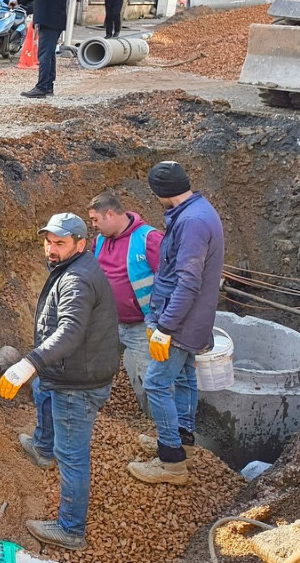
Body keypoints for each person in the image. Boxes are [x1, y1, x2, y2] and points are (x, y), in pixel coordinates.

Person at [0, 212, 119, 552]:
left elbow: (69, 331)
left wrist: (30, 363)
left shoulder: (77, 280)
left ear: (80, 244)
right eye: (48, 242)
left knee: (73, 455)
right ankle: (42, 448)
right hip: (68, 371)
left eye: (60, 243)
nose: (51, 249)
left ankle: (70, 529)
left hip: (77, 383)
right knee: (42, 390)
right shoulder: (74, 266)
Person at [128, 161, 225, 486]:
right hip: (190, 319)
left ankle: (171, 461)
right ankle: (183, 441)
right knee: (184, 377)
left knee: (156, 383)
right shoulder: (196, 210)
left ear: (161, 192)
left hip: (182, 321)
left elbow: (187, 282)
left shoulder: (192, 222)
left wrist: (165, 327)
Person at [88, 191, 163, 415]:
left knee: (153, 379)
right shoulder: (99, 241)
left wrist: (163, 324)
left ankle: (161, 424)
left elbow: (170, 282)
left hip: (143, 325)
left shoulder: (149, 239)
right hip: (108, 322)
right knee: (95, 366)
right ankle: (94, 413)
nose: (93, 225)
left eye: (95, 219)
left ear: (110, 214)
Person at [5, 0, 71, 98]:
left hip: (50, 19)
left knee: (44, 55)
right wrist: (19, 1)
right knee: (49, 54)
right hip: (51, 19)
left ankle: (41, 88)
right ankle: (47, 86)